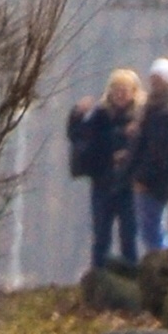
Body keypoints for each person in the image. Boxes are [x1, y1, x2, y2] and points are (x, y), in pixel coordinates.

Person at [67, 68, 141, 270]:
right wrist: (76, 115)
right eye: (116, 89)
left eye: (125, 89)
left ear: (134, 92)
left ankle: (131, 283)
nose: (120, 94)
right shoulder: (99, 115)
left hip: (128, 186)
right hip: (102, 183)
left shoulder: (140, 118)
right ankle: (97, 280)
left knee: (129, 237)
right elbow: (79, 138)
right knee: (101, 237)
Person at [135, 58, 168, 254]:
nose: (154, 84)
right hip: (147, 179)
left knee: (153, 231)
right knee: (149, 230)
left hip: (156, 182)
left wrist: (143, 177)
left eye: (159, 80)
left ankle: (163, 271)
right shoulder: (150, 110)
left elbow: (161, 152)